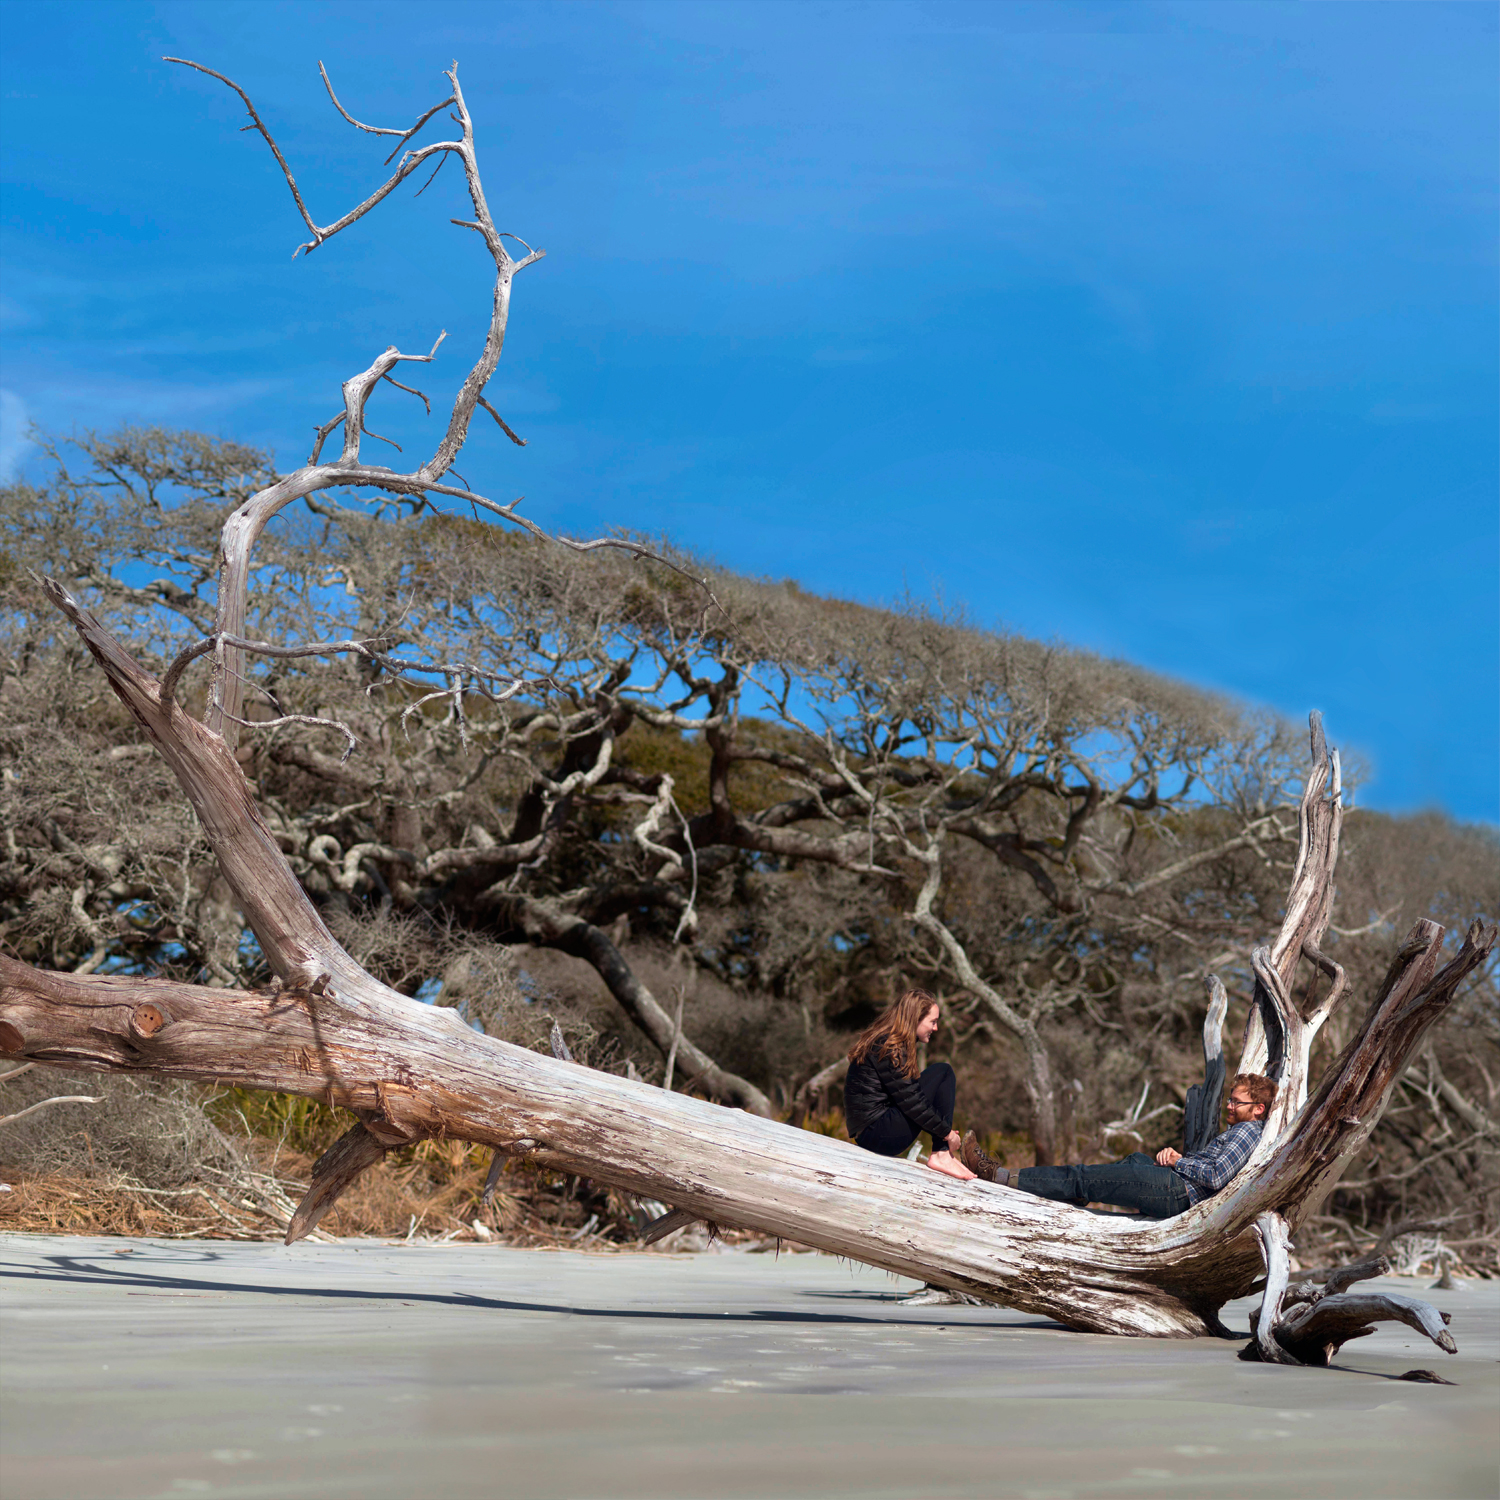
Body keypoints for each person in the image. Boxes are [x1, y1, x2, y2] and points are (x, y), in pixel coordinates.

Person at [960, 1072, 1275, 1217]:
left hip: (1175, 1192)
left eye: (1237, 1102)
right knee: (1134, 1158)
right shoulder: (1243, 1129)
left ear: (1258, 1108)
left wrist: (1177, 1161)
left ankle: (997, 1176)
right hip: (1175, 1185)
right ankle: (1069, 1195)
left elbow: (1218, 1176)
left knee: (1083, 1174)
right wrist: (1175, 1160)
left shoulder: (1246, 1132)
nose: (1229, 1107)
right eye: (1230, 1100)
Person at [844, 988, 976, 1181]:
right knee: (943, 1072)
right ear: (915, 1019)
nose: (936, 1028)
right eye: (933, 1021)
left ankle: (942, 1153)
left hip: (874, 1132)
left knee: (939, 1076)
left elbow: (912, 1098)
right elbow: (912, 1102)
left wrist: (942, 1131)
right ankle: (941, 1154)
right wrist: (946, 1133)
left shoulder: (889, 1041)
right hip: (877, 1134)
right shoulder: (888, 1046)